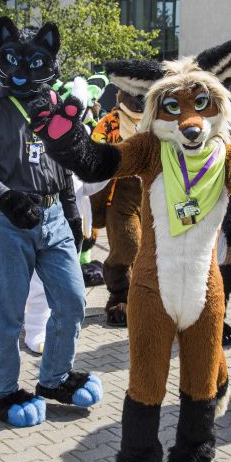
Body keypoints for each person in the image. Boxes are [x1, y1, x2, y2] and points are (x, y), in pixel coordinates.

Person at [0, 16, 102, 428]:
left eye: (34, 63)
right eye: (15, 62)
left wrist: (72, 211)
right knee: (9, 314)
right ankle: (2, 391)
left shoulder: (54, 109)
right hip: (8, 222)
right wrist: (5, 197)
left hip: (54, 216)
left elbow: (61, 163)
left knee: (72, 299)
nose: (23, 72)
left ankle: (54, 378)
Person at [88, 87, 145, 326]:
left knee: (152, 248)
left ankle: (145, 297)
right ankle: (120, 294)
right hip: (119, 193)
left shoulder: (159, 120)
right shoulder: (110, 123)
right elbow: (93, 156)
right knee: (128, 244)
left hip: (155, 192)